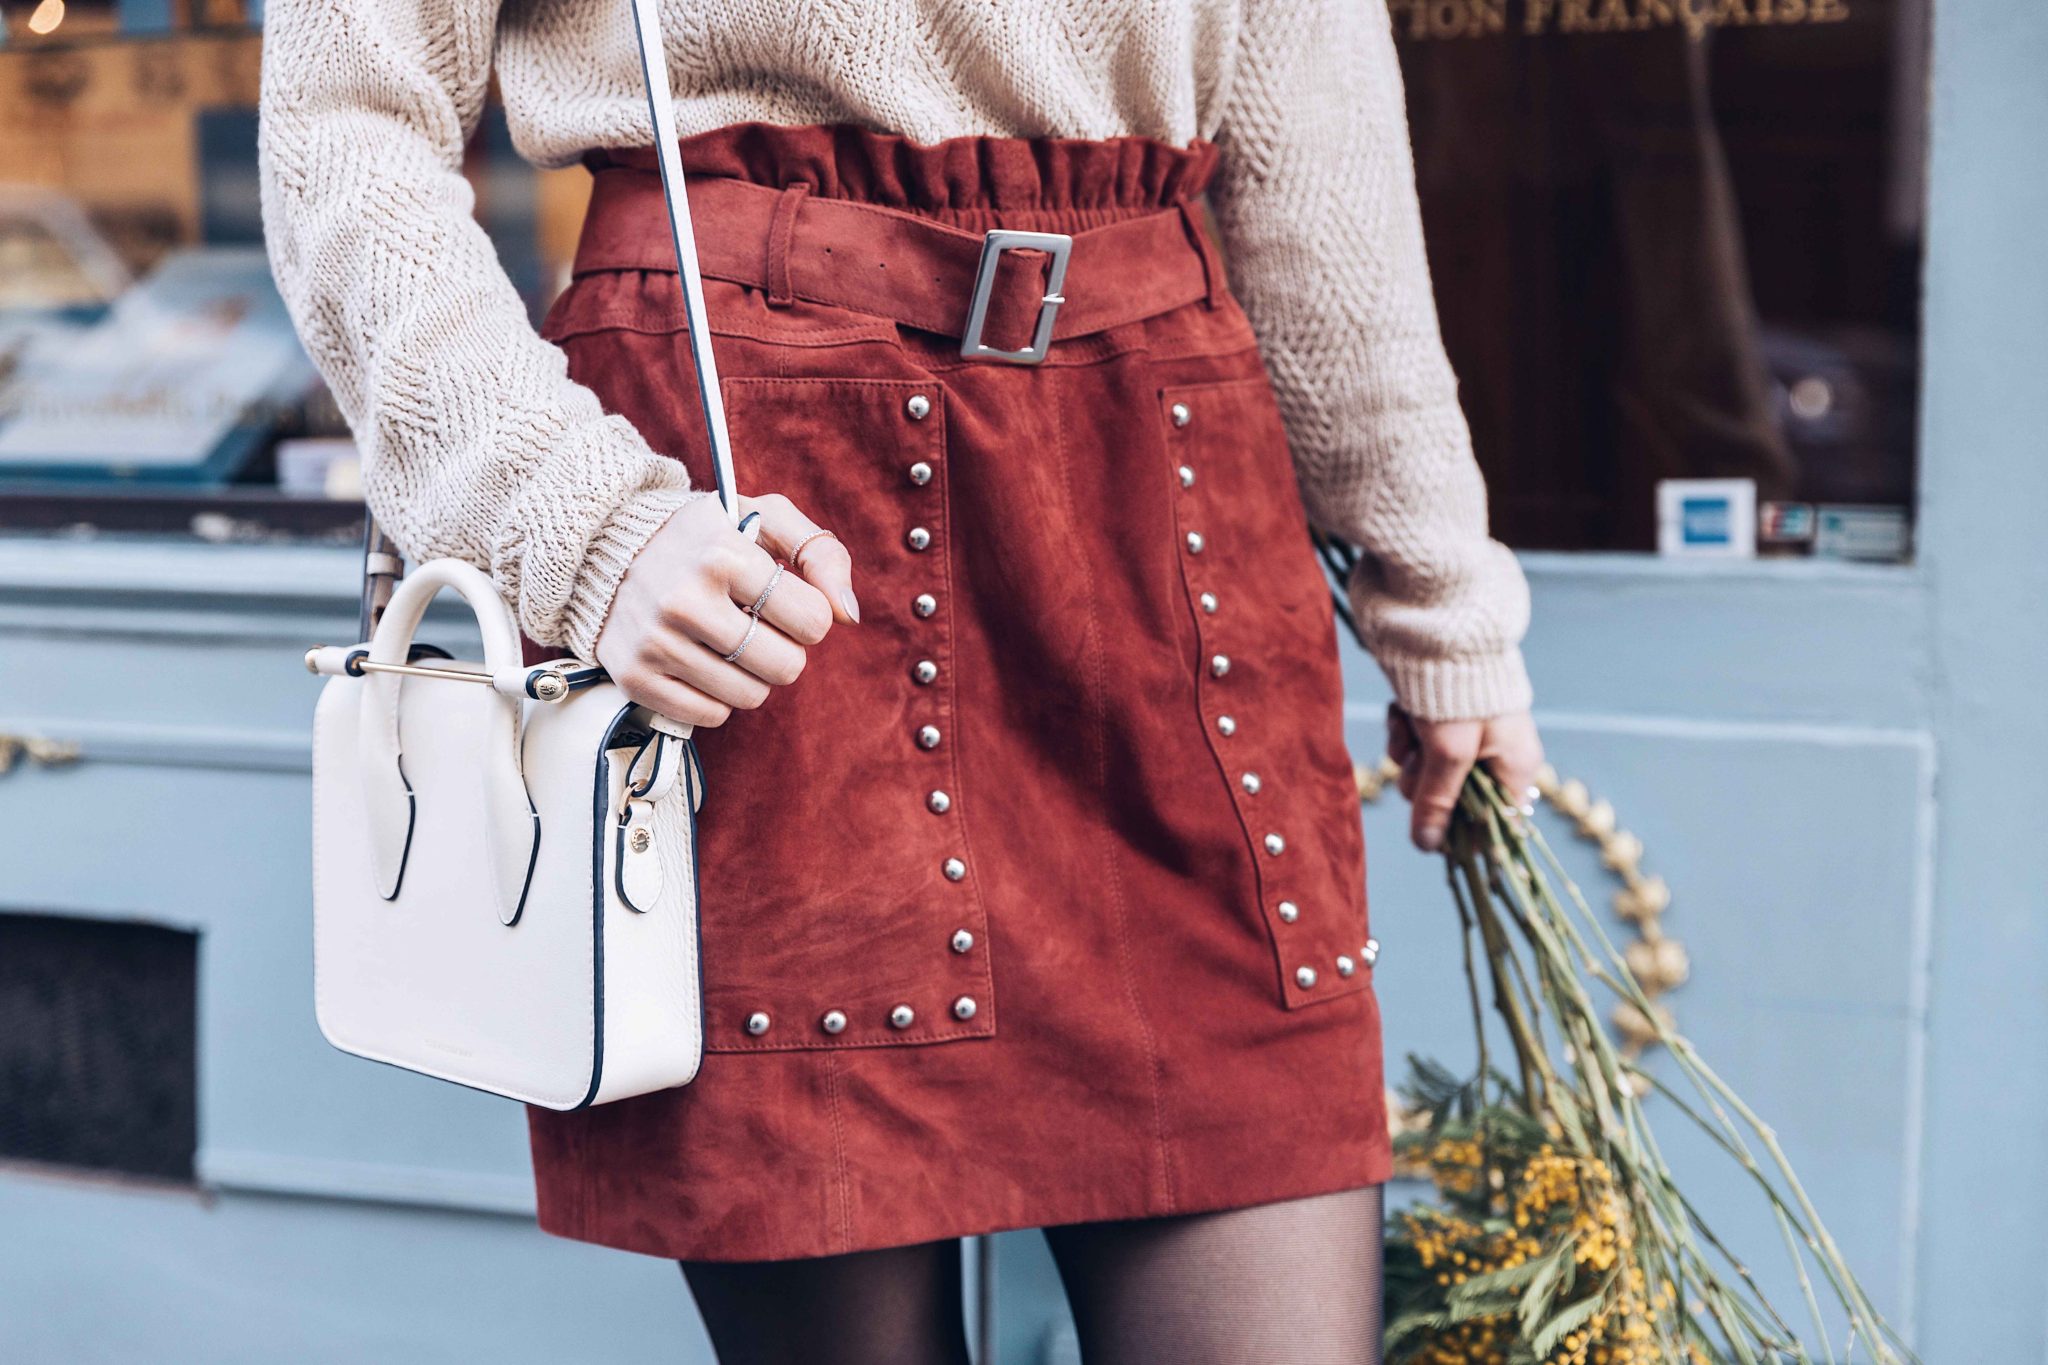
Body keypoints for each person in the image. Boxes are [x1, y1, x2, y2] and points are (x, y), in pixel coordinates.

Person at [258, 2, 1543, 1360]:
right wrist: (589, 526)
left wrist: (1441, 590)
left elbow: (1317, 138)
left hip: (1162, 501)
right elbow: (346, 129)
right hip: (753, 506)